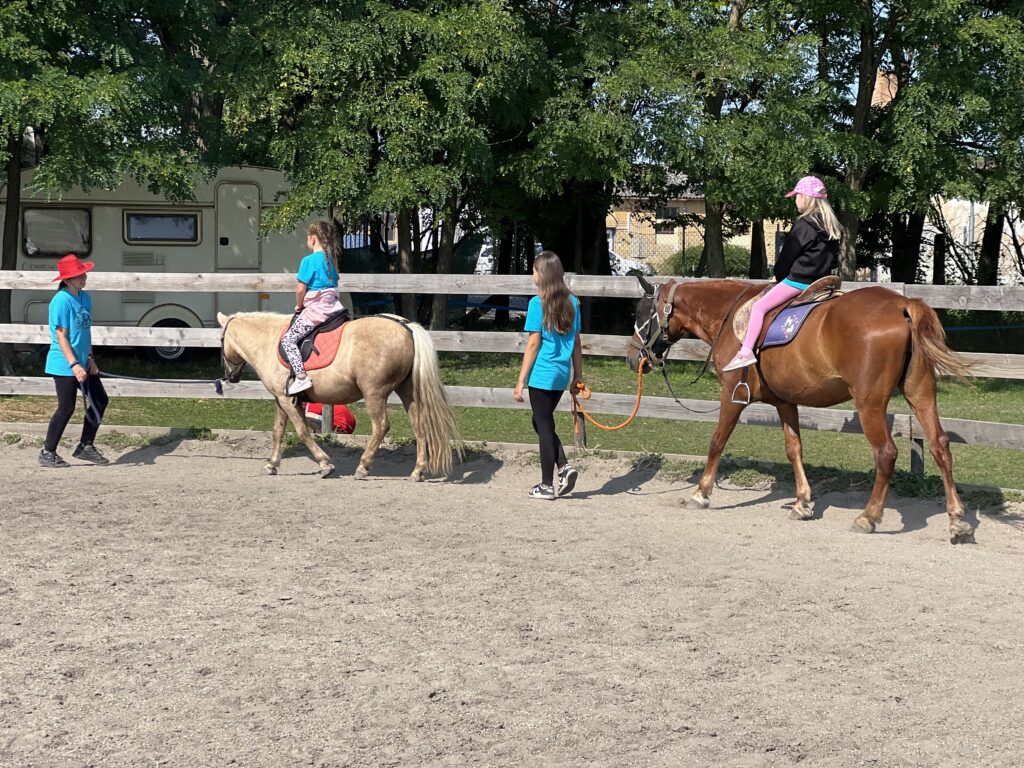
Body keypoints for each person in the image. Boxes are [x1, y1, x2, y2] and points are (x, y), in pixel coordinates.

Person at [722, 175, 842, 372]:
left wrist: (778, 276)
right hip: (822, 282)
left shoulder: (804, 225)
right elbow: (833, 259)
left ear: (805, 198)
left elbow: (787, 257)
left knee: (758, 307)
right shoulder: (830, 226)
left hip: (799, 282)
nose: (795, 201)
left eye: (797, 196)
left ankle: (746, 352)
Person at [513, 251, 585, 499]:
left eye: (534, 270)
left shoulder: (537, 304)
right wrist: (577, 375)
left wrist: (521, 380)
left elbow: (533, 344)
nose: (532, 274)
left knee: (544, 426)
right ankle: (563, 466)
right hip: (561, 374)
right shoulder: (573, 302)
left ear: (542, 274)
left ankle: (546, 484)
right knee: (540, 420)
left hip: (542, 374)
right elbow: (576, 343)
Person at [40, 254, 110, 468]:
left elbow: (85, 331)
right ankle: (48, 451)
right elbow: (61, 336)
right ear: (68, 279)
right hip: (64, 363)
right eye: (79, 275)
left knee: (100, 399)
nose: (84, 278)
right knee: (66, 407)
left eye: (84, 274)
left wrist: (90, 358)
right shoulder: (60, 301)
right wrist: (74, 364)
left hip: (82, 361)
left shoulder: (85, 297)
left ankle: (85, 446)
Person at [282, 220, 348, 395]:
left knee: (288, 340)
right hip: (334, 308)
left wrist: (299, 305)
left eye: (307, 237)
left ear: (312, 239)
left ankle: (301, 377)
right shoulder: (330, 261)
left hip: (317, 311)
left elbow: (300, 289)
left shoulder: (308, 261)